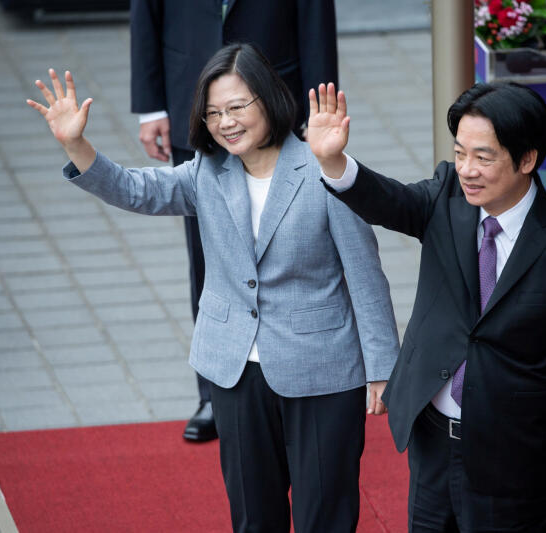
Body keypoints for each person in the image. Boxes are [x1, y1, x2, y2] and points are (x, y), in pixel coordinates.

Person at [26, 43, 398, 533]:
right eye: (214, 112)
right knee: (252, 515)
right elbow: (136, 190)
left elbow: (366, 274)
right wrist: (78, 146)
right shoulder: (207, 173)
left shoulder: (324, 170)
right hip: (235, 371)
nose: (226, 122)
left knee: (325, 515)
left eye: (238, 107)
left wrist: (381, 366)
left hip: (322, 370)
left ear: (269, 100)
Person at [308, 81, 546, 532]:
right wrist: (334, 162)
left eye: (484, 157)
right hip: (433, 439)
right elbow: (391, 201)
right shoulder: (446, 194)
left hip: (515, 451)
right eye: (460, 153)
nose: (467, 169)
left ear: (527, 159)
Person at [130, 0, 339, 441]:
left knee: (293, 244)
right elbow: (146, 10)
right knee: (208, 254)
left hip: (274, 96)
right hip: (193, 92)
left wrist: (316, 108)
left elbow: (314, 18)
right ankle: (215, 387)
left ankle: (290, 374)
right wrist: (151, 105)